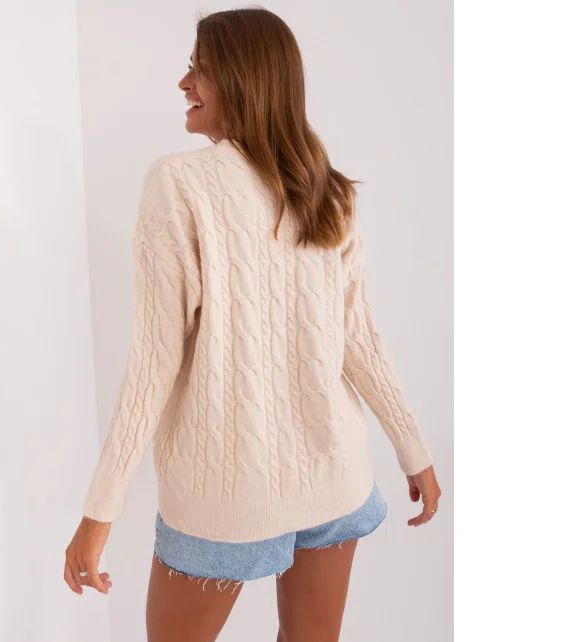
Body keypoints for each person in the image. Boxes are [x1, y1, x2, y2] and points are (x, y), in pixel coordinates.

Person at [64, 7, 441, 641]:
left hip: (226, 496)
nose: (184, 83)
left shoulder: (180, 184)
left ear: (244, 79)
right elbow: (362, 340)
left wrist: (99, 511)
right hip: (336, 475)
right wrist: (413, 452)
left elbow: (154, 361)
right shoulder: (329, 190)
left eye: (199, 69)